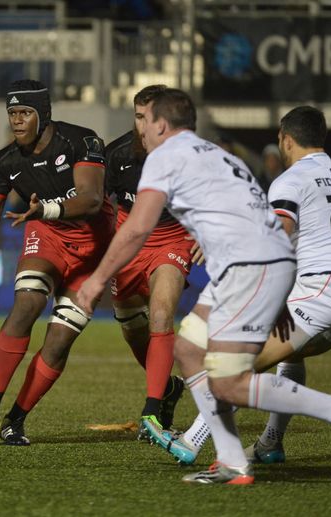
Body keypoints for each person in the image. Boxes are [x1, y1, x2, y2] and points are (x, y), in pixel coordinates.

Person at [76, 89, 331, 484]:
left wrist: (96, 279)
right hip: (254, 262)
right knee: (188, 348)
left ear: (163, 125)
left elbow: (137, 228)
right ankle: (233, 460)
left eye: (145, 119)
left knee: (229, 378)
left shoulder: (166, 156)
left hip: (253, 264)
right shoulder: (217, 154)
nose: (140, 127)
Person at [148, 106, 331, 468]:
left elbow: (276, 241)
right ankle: (271, 442)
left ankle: (193, 441)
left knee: (237, 368)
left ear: (285, 139)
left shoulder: (290, 179)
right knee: (290, 354)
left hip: (324, 289)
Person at [0, 79, 114, 446]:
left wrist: (46, 208)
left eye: (24, 113)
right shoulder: (5, 161)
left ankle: (16, 419)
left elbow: (92, 199)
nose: (16, 121)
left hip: (95, 246)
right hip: (47, 234)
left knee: (59, 340)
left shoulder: (82, 141)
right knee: (27, 303)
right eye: (12, 113)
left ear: (43, 115)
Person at [95, 85, 201, 436]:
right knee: (131, 327)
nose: (143, 125)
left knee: (160, 314)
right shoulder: (117, 154)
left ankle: (151, 413)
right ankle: (167, 388)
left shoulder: (186, 155)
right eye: (138, 116)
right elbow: (98, 204)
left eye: (150, 117)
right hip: (130, 242)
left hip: (172, 239)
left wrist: (204, 235)